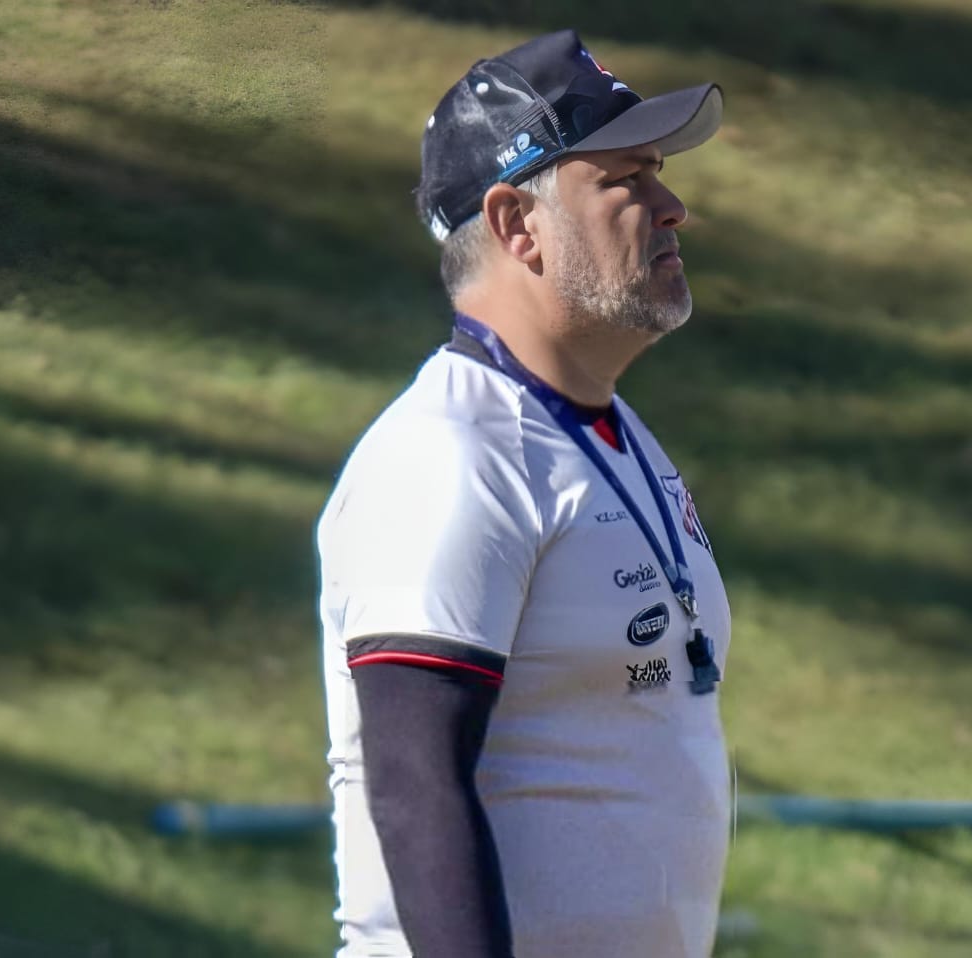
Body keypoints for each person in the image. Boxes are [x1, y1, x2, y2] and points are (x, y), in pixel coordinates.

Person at [317, 28, 730, 958]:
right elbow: (415, 784)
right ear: (517, 226)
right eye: (626, 179)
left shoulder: (606, 435)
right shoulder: (450, 453)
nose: (673, 208)